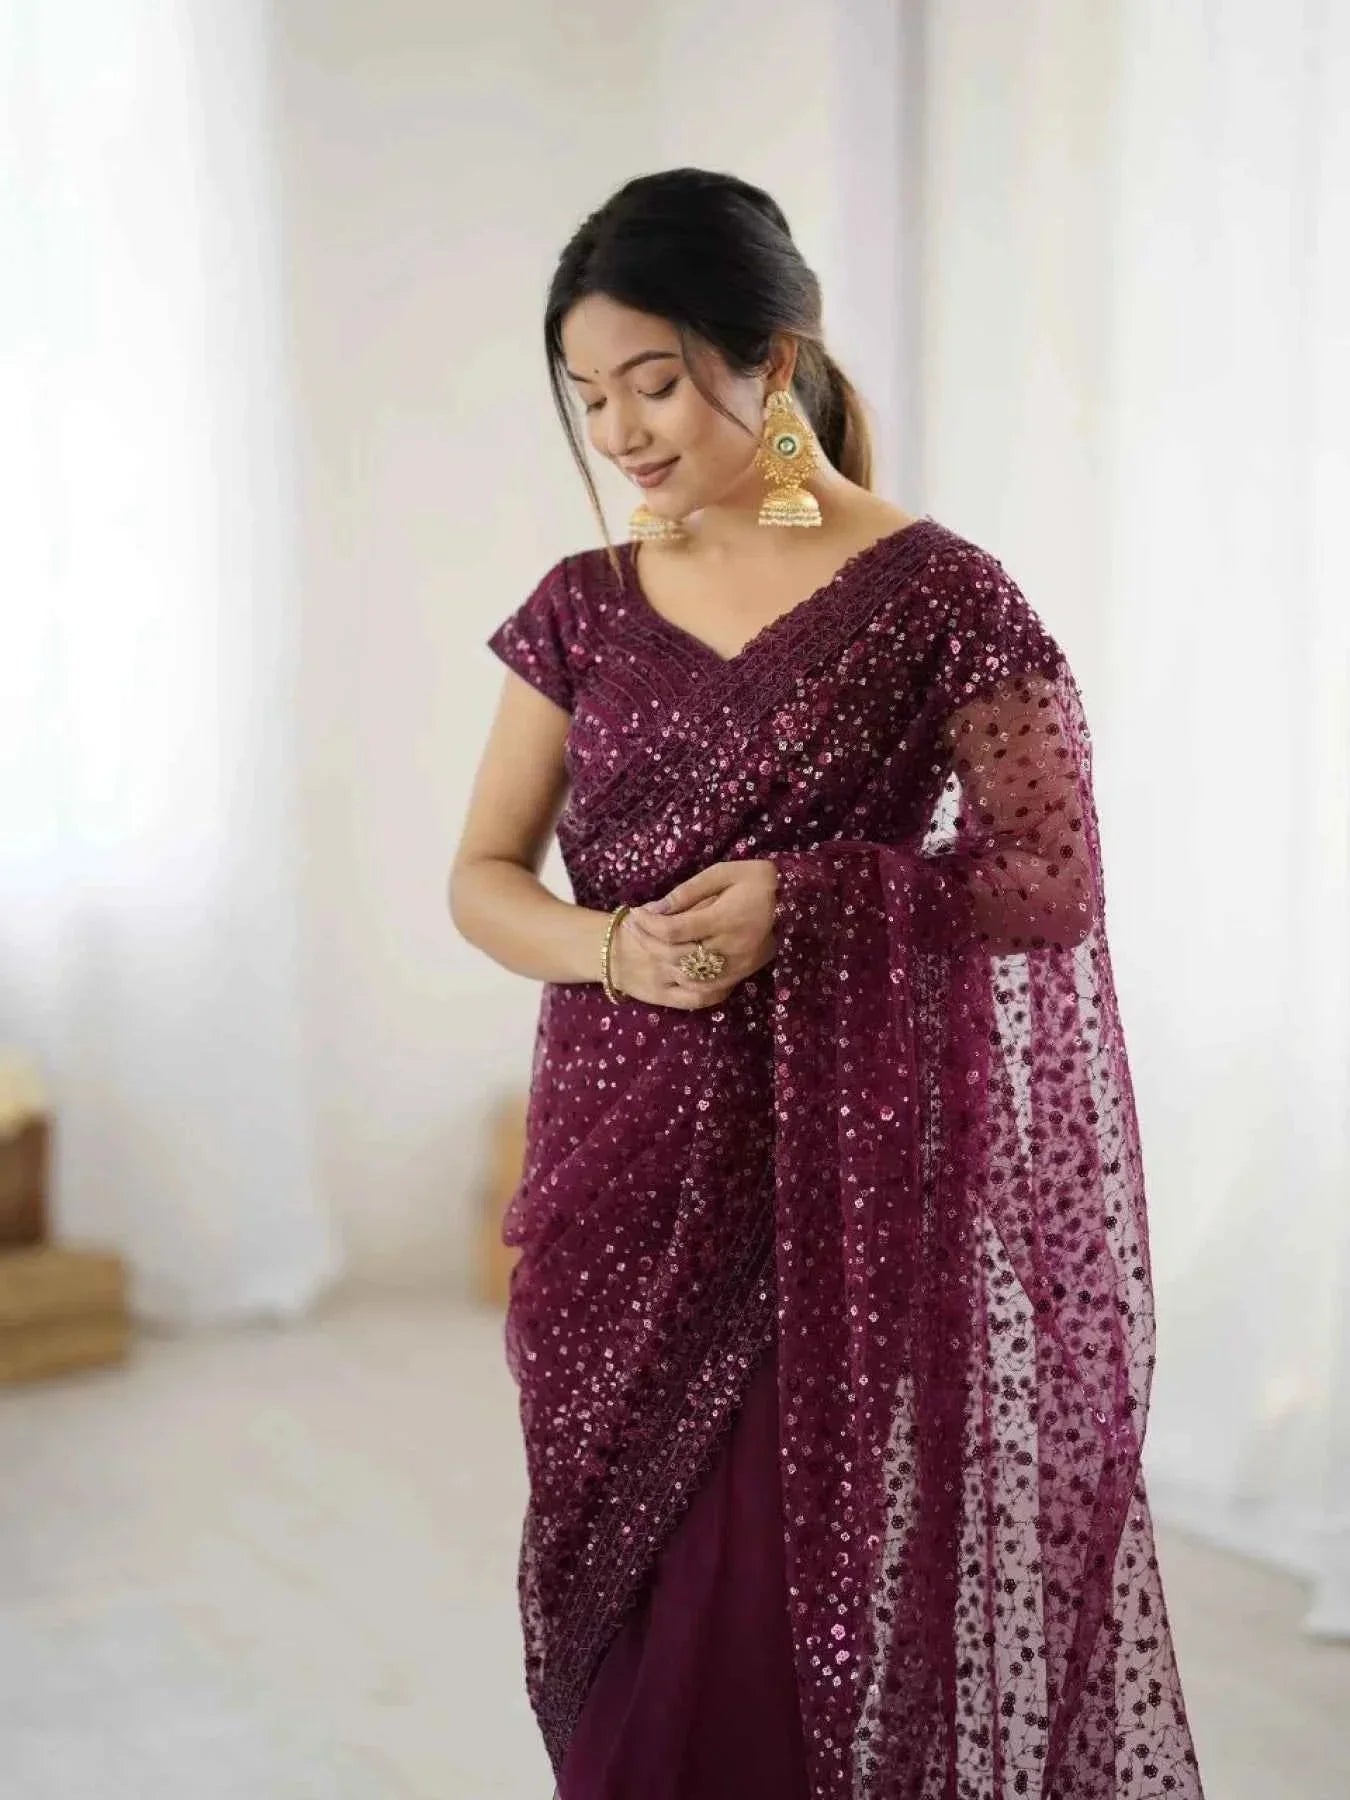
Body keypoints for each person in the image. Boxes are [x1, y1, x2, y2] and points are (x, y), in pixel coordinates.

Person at [449, 168, 1206, 1800]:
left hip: (837, 1192)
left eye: (654, 381)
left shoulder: (940, 596)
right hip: (613, 1175)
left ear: (772, 359)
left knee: (766, 1622)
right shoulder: (581, 613)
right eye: (589, 399)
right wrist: (611, 945)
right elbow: (482, 880)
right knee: (628, 1621)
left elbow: (1046, 876)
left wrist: (812, 897)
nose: (623, 433)